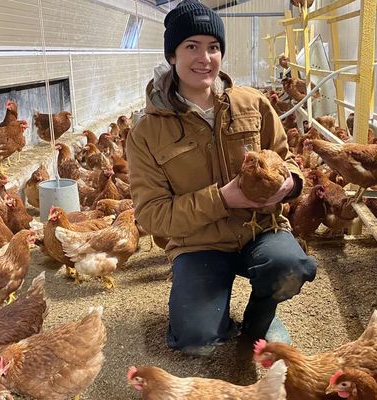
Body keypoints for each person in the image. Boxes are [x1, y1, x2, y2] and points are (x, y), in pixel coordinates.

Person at [126, 0, 316, 357]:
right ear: (172, 55)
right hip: (198, 243)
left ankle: (262, 318)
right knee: (197, 340)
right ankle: (211, 315)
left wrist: (291, 183)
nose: (205, 58)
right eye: (191, 47)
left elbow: (288, 160)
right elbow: (151, 215)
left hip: (260, 229)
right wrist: (223, 199)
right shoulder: (146, 132)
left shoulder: (252, 104)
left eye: (213, 47)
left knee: (291, 266)